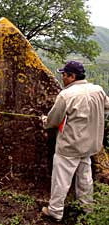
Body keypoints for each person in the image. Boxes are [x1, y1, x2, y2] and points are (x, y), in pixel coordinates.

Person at [41, 61, 109, 221]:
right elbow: (106, 105)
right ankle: (87, 208)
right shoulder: (97, 90)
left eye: (64, 74)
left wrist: (44, 120)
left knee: (61, 180)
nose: (62, 77)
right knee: (85, 178)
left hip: (70, 146)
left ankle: (55, 211)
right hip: (90, 145)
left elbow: (53, 121)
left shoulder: (66, 95)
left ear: (72, 76)